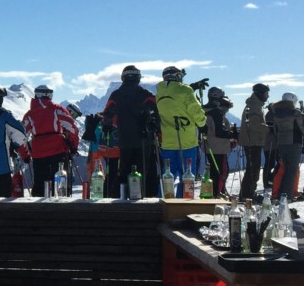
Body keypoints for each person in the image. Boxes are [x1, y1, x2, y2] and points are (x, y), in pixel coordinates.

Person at [101, 66, 158, 198]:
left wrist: (107, 125)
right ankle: (143, 199)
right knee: (143, 171)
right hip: (144, 140)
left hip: (124, 140)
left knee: (123, 172)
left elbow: (107, 115)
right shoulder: (147, 95)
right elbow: (156, 117)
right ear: (138, 78)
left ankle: (120, 199)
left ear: (123, 78)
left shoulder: (116, 95)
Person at [155, 67, 206, 195]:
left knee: (167, 176)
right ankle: (184, 203)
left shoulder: (159, 92)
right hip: (187, 141)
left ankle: (163, 203)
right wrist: (202, 122)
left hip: (167, 142)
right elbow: (195, 110)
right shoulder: (185, 90)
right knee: (187, 176)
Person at [22, 83, 79, 197]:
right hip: (58, 151)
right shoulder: (57, 109)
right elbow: (72, 128)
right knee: (60, 185)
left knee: (40, 186)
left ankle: (38, 211)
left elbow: (22, 137)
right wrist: (73, 146)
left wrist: (25, 155)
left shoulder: (29, 114)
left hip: (38, 154)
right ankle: (60, 210)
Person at [268, 93, 304, 202]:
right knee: (292, 171)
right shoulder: (295, 113)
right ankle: (286, 196)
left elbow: (275, 130)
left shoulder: (276, 113)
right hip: (294, 143)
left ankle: (282, 195)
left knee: (286, 170)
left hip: (282, 143)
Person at [237, 83, 270, 201]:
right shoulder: (254, 106)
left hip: (253, 140)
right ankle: (247, 195)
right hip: (252, 141)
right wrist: (268, 128)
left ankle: (248, 194)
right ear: (260, 93)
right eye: (266, 93)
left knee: (253, 168)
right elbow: (253, 124)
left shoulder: (255, 105)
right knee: (253, 169)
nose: (267, 96)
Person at [202, 87, 237, 198]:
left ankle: (214, 193)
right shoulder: (216, 112)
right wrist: (233, 135)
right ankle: (217, 193)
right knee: (220, 171)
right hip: (219, 146)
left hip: (208, 145)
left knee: (213, 171)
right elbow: (219, 132)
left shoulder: (203, 110)